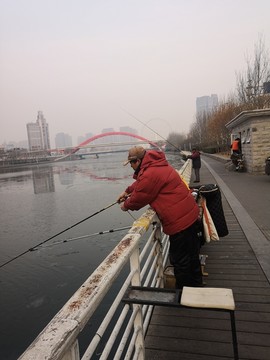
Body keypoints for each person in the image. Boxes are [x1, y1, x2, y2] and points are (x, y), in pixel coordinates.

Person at [117, 146, 203, 289]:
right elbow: (141, 184)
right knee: (192, 255)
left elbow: (139, 197)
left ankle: (185, 292)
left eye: (131, 163)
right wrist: (127, 191)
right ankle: (196, 285)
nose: (130, 167)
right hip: (189, 214)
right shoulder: (155, 165)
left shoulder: (149, 173)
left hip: (180, 222)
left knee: (180, 260)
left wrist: (126, 205)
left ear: (137, 161)